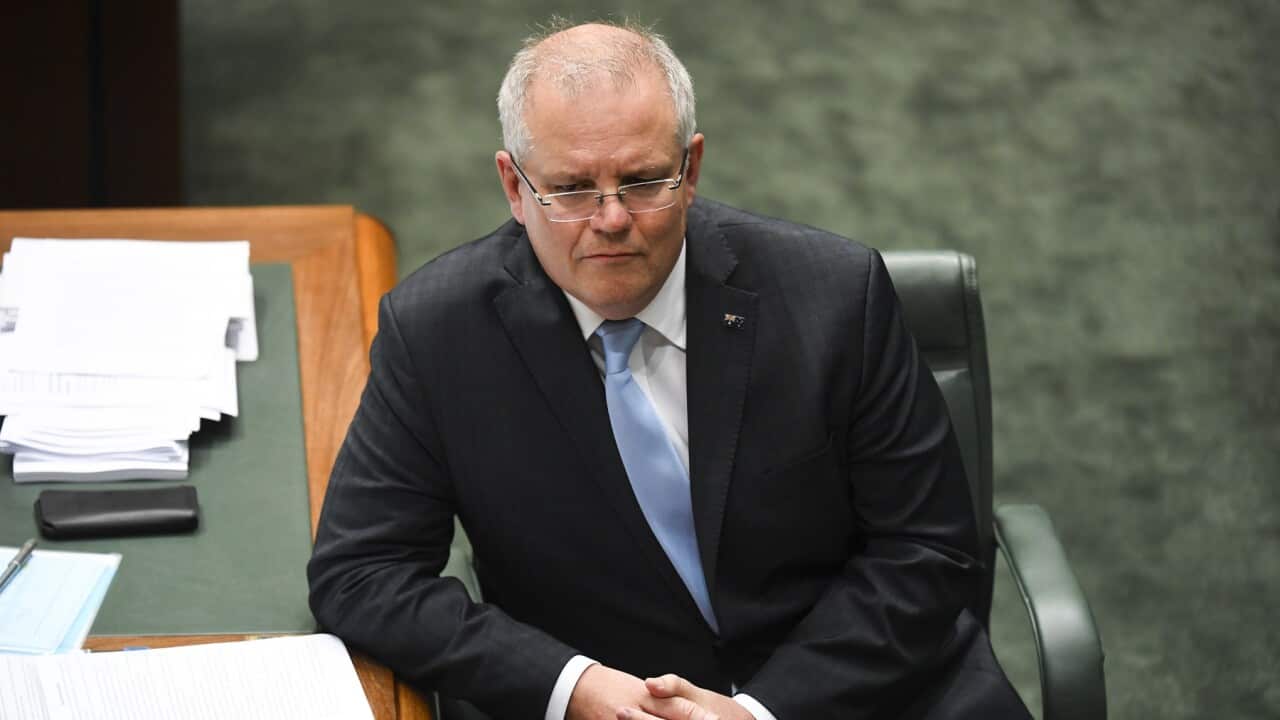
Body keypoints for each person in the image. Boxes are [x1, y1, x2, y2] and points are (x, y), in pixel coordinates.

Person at [308, 19, 1031, 720]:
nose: (612, 218)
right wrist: (573, 687)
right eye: (572, 188)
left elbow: (927, 550)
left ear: (691, 169)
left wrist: (758, 711)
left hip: (864, 692)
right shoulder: (437, 330)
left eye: (642, 181)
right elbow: (362, 574)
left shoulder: (838, 296)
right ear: (514, 187)